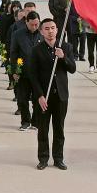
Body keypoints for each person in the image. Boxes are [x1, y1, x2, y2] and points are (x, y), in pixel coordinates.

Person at [28, 18, 76, 170]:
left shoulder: (66, 47)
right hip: (44, 97)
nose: (50, 31)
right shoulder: (36, 50)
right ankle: (43, 158)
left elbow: (72, 69)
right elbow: (33, 75)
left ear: (57, 30)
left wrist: (63, 57)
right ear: (41, 31)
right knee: (43, 129)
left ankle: (58, 158)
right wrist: (39, 96)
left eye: (53, 28)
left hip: (61, 96)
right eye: (47, 29)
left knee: (59, 129)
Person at [11, 12, 42, 130]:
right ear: (26, 22)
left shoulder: (42, 34)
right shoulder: (18, 34)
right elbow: (13, 53)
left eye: (36, 24)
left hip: (39, 74)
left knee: (37, 99)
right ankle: (25, 121)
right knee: (22, 99)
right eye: (32, 24)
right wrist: (14, 70)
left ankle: (36, 121)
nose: (34, 27)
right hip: (23, 72)